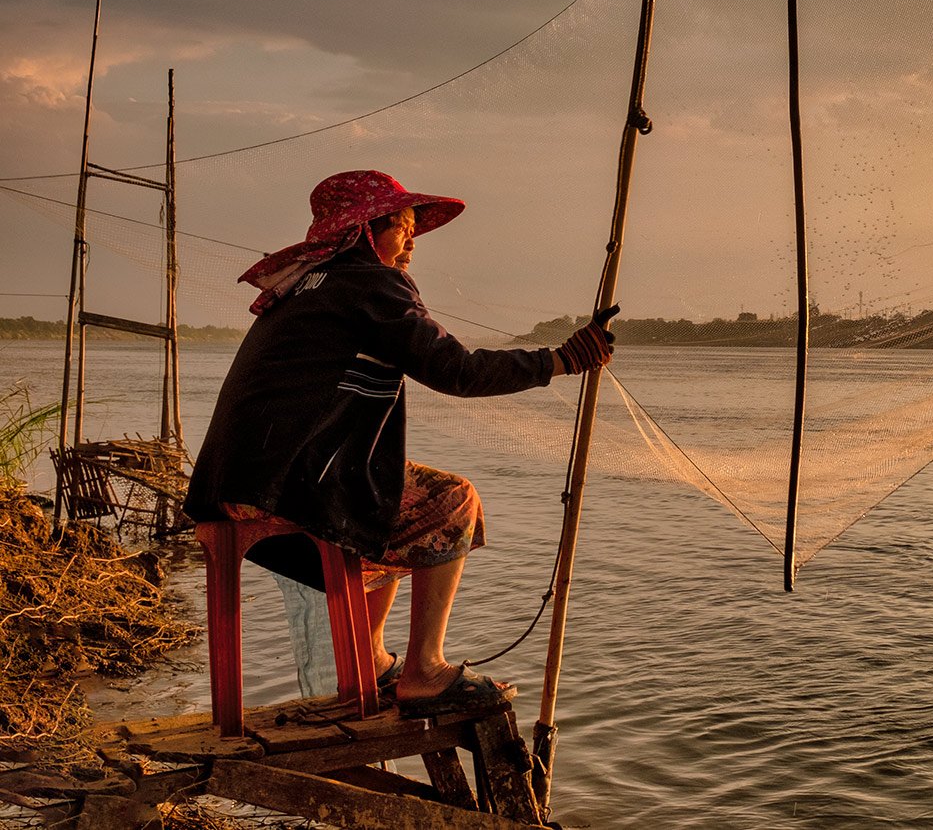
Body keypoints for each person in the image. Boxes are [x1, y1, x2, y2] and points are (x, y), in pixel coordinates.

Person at [184, 170, 613, 716]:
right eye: (403, 227)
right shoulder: (370, 282)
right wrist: (560, 360)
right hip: (286, 485)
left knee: (384, 492)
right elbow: (456, 370)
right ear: (366, 230)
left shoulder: (303, 283)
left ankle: (372, 659)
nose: (412, 242)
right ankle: (425, 670)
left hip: (230, 485)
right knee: (453, 500)